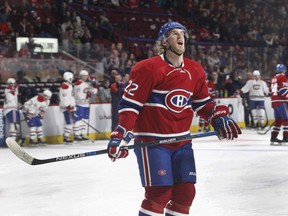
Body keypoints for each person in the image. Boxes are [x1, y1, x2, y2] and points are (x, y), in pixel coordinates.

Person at [107, 21, 242, 216]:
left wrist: (217, 116)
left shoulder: (195, 69)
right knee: (159, 194)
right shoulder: (147, 68)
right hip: (153, 143)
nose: (181, 37)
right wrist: (121, 135)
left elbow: (203, 103)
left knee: (186, 193)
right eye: (174, 33)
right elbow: (130, 106)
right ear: (164, 41)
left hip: (182, 142)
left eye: (183, 33)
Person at [73, 70, 98, 140]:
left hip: (86, 104)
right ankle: (77, 134)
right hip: (79, 104)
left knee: (85, 119)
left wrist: (94, 84)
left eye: (87, 75)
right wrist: (87, 94)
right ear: (81, 76)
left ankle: (82, 133)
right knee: (79, 120)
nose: (86, 77)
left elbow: (95, 92)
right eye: (85, 75)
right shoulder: (78, 83)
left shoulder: (87, 84)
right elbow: (78, 95)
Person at [270, 64, 288, 145]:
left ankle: (273, 137)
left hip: (274, 102)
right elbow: (283, 91)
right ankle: (286, 138)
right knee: (286, 120)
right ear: (284, 70)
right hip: (281, 102)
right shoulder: (282, 77)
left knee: (278, 121)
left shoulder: (273, 78)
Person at [59, 71, 76, 143]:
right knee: (69, 122)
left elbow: (70, 97)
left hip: (70, 106)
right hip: (66, 107)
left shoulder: (69, 85)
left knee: (70, 122)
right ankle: (66, 137)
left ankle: (66, 136)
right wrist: (68, 105)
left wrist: (72, 105)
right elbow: (64, 98)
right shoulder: (65, 86)